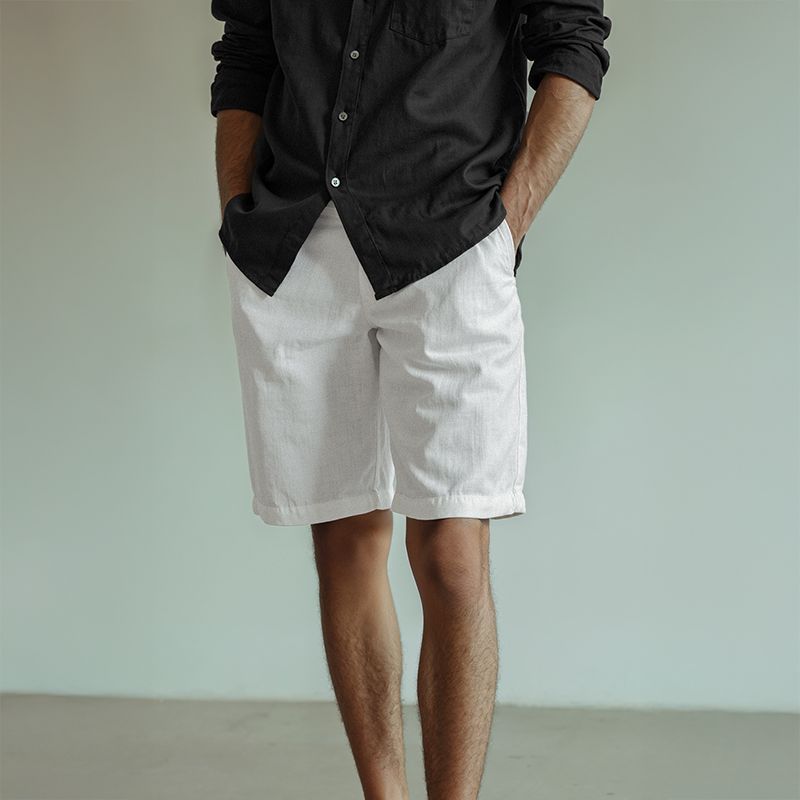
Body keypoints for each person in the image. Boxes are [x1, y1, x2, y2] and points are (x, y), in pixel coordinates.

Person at [209, 1, 611, 797]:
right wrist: (236, 211)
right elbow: (247, 53)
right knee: (345, 540)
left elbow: (574, 46)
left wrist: (507, 226)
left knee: (453, 553)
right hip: (297, 246)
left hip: (451, 246)